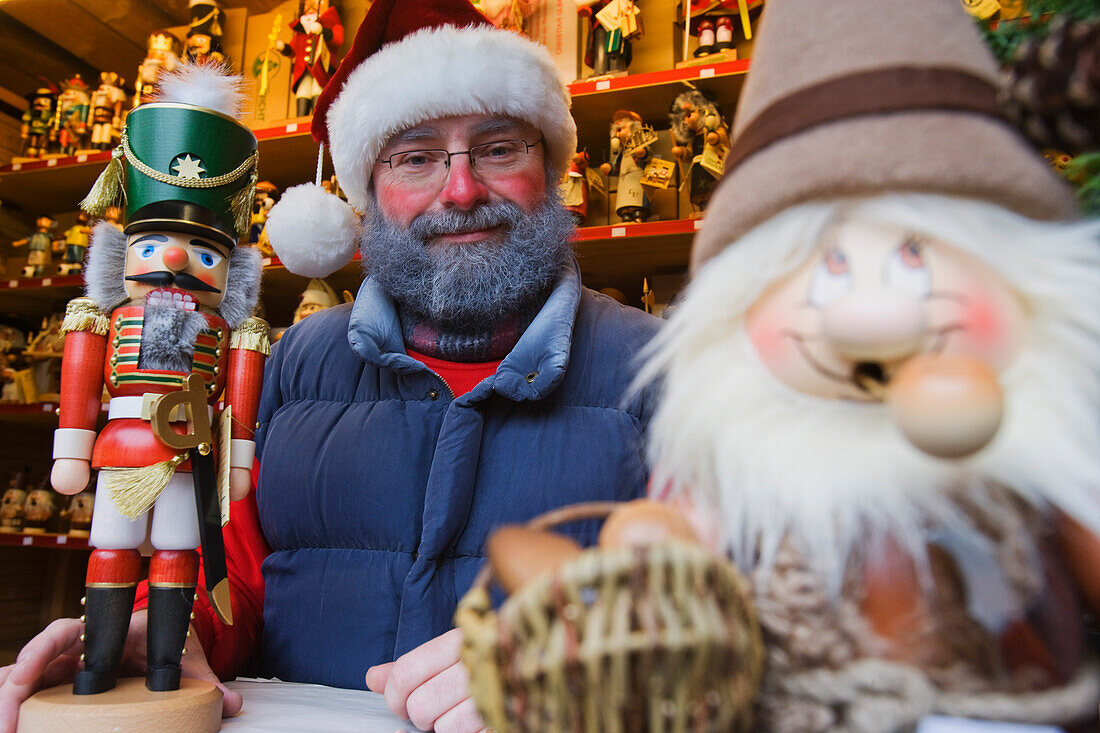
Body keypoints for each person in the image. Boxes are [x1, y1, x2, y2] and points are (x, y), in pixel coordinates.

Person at [0, 1, 659, 731]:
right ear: (364, 194)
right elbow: (237, 581)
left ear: (553, 169)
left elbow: (746, 609)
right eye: (415, 157)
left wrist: (598, 667)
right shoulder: (298, 362)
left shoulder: (657, 370)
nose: (462, 189)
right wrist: (153, 640)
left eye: (500, 147)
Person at [638, 0, 1100, 730]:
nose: (868, 320)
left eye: (916, 254)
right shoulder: (747, 470)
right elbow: (664, 539)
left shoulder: (1038, 454)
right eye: (829, 269)